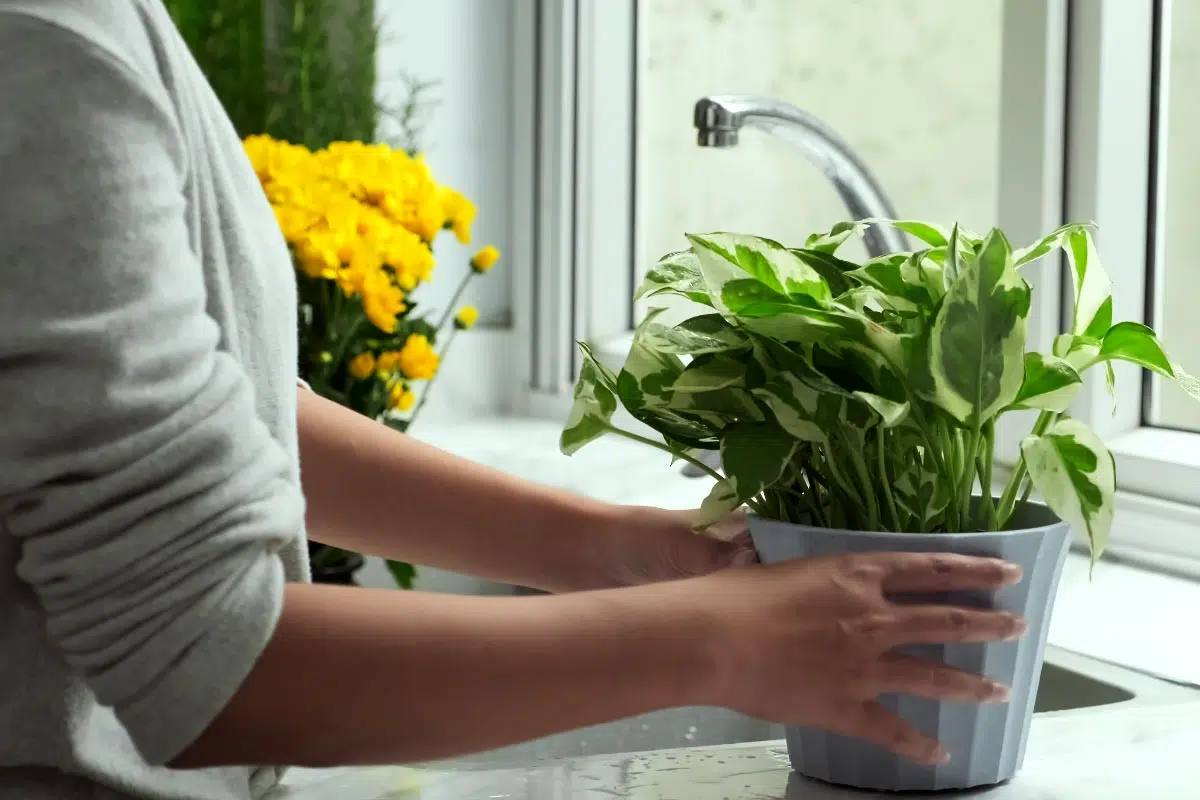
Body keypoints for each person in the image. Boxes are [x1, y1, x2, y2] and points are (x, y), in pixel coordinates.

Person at [0, 2, 1027, 799]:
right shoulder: (46, 48)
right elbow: (211, 661)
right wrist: (721, 636)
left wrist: (618, 550)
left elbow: (218, 420)